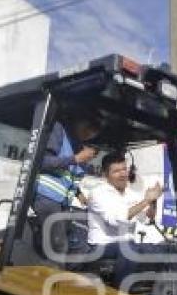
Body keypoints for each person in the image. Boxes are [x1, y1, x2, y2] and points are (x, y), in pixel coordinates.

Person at [86, 152, 162, 286]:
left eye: (124, 169)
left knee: (162, 248)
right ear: (105, 174)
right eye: (116, 171)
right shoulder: (98, 194)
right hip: (102, 246)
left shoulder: (131, 194)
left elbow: (147, 218)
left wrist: (153, 201)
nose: (122, 174)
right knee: (129, 248)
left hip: (128, 243)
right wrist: (146, 200)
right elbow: (115, 220)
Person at [33, 117, 100, 258]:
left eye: (93, 132)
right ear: (78, 120)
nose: (89, 134)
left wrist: (78, 193)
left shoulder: (76, 145)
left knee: (71, 240)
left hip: (62, 201)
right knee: (59, 246)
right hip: (46, 196)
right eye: (88, 127)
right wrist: (76, 159)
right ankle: (56, 278)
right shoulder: (59, 130)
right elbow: (42, 161)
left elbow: (68, 176)